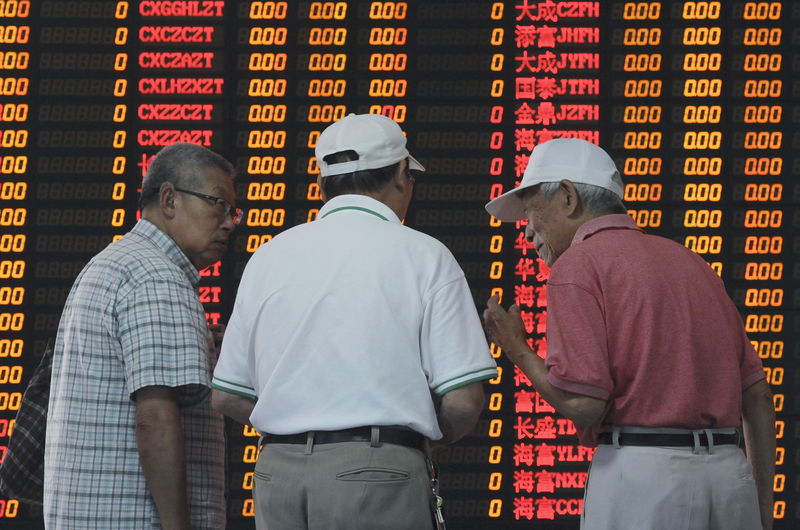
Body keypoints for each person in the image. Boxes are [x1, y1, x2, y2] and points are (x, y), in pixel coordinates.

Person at [211, 113, 497, 530]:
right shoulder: (424, 254)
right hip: (378, 470)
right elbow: (464, 401)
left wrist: (299, 419)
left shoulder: (268, 257)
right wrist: (410, 446)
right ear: (401, 175)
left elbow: (228, 396)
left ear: (322, 184)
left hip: (277, 474)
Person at [482, 138, 775, 530]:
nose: (528, 231)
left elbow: (583, 404)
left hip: (644, 478)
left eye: (531, 210)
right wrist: (760, 509)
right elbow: (757, 395)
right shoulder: (694, 263)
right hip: (730, 477)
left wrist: (516, 349)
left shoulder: (577, 266)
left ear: (568, 197)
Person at [44, 142, 241, 529]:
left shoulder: (114, 262)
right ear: (169, 199)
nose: (230, 221)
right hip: (135, 518)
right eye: (217, 203)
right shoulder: (158, 278)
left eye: (233, 210)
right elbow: (154, 418)